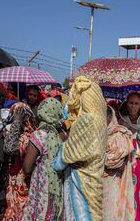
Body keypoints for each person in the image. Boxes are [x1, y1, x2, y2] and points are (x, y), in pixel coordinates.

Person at [53, 76, 107, 221]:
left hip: (81, 180)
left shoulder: (86, 120)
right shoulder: (102, 120)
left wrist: (57, 156)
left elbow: (65, 157)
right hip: (95, 177)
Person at [21, 98, 64, 220]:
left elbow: (27, 168)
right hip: (57, 188)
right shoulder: (62, 135)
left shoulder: (39, 135)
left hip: (41, 189)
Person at [119, 91, 140, 221]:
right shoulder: (122, 122)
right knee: (127, 197)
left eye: (136, 103)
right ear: (126, 104)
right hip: (126, 167)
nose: (133, 106)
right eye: (131, 103)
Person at [0, 102, 36, 221]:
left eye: (18, 115)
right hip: (12, 184)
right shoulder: (10, 133)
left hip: (22, 185)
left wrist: (16, 122)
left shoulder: (29, 136)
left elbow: (10, 149)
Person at [103, 105, 135, 221]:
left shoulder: (118, 135)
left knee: (112, 215)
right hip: (103, 186)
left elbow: (112, 162)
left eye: (104, 116)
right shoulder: (101, 135)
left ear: (110, 117)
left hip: (115, 186)